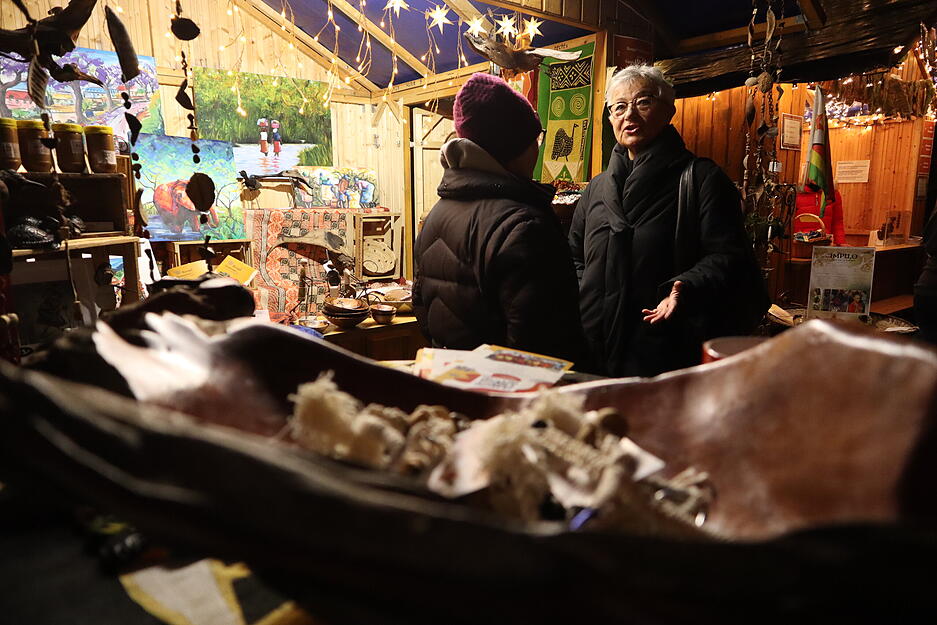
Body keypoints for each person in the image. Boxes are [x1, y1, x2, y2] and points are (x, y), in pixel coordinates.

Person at [569, 64, 767, 377]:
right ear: (609, 118)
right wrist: (588, 296)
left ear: (668, 112)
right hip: (594, 345)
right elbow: (575, 254)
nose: (629, 115)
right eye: (619, 107)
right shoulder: (597, 187)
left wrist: (684, 286)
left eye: (643, 103)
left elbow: (728, 255)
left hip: (663, 345)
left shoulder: (701, 179)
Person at [413, 73, 587, 367]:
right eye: (534, 140)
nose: (537, 149)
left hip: (455, 383)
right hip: (509, 398)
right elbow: (541, 348)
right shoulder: (524, 225)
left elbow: (423, 311)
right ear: (512, 148)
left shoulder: (437, 213)